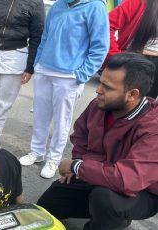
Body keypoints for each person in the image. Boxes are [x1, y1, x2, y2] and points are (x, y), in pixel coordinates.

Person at [37, 53, 158, 230]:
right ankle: (104, 212)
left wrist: (76, 166)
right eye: (100, 82)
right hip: (100, 173)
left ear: (132, 94)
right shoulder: (99, 105)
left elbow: (128, 180)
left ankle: (114, 217)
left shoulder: (153, 127)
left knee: (106, 200)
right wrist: (78, 162)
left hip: (140, 191)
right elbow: (80, 135)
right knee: (47, 205)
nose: (98, 90)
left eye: (107, 87)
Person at [19, 0, 110, 178]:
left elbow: (100, 46)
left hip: (69, 75)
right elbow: (45, 36)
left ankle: (54, 159)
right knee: (40, 115)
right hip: (45, 69)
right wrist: (38, 62)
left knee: (62, 120)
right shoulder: (58, 5)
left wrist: (82, 74)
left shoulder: (95, 7)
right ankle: (37, 152)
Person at [0, 0, 44, 150]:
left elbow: (37, 36)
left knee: (4, 103)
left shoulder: (36, 3)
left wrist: (30, 67)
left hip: (16, 57)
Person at [107, 0, 158, 99]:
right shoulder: (138, 2)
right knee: (117, 104)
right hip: (136, 61)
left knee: (147, 109)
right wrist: (115, 55)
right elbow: (106, 26)